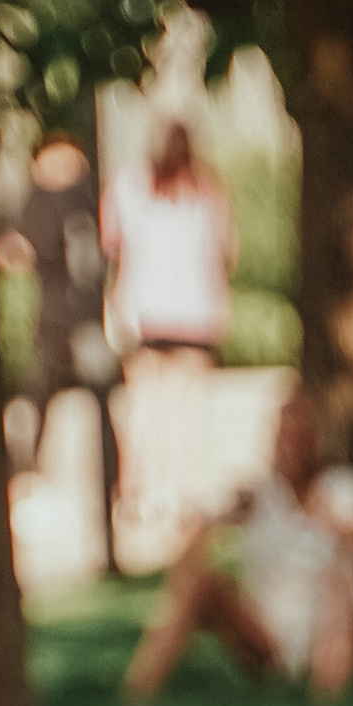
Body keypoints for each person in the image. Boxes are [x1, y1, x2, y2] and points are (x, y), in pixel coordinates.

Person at [120, 385, 353, 703]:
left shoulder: (343, 486)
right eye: (284, 436)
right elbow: (197, 533)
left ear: (318, 441)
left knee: (340, 568)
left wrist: (336, 522)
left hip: (339, 631)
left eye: (302, 436)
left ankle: (327, 696)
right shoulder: (259, 494)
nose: (292, 446)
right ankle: (139, 693)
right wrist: (212, 522)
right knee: (199, 581)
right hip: (270, 639)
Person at [0, 127, 121, 576]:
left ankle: (112, 490)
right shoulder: (41, 199)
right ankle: (28, 475)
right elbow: (21, 248)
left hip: (86, 319)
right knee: (41, 394)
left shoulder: (83, 197)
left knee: (100, 401)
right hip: (56, 318)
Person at [102, 118, 236, 540]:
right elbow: (227, 249)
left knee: (144, 407)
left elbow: (110, 242)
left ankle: (141, 491)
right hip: (197, 311)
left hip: (144, 311)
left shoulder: (128, 184)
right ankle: (185, 493)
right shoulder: (208, 188)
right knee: (188, 408)